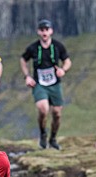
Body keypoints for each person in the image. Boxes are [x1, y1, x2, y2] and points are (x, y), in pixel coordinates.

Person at [20, 19, 71, 150]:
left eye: (47, 29)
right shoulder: (33, 48)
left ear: (51, 31)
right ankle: (43, 133)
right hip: (39, 84)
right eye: (42, 30)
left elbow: (67, 61)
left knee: (57, 113)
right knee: (43, 109)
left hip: (55, 84)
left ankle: (53, 138)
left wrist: (62, 70)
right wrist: (27, 76)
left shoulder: (58, 46)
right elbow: (23, 59)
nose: (44, 32)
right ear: (38, 32)